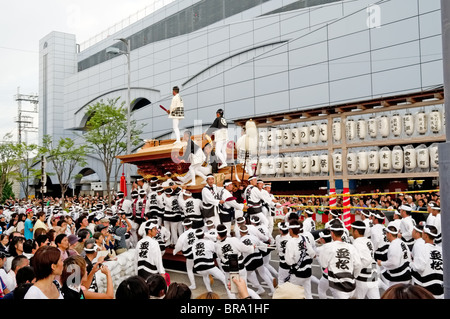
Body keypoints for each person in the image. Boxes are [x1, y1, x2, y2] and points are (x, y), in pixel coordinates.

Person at [318, 219, 362, 299]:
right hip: (351, 284)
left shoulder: (328, 247)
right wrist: (353, 276)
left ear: (332, 233)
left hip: (338, 285)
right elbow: (358, 265)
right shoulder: (351, 247)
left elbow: (323, 264)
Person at [192, 228, 234, 299]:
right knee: (224, 279)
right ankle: (231, 297)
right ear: (203, 235)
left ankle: (209, 291)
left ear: (196, 236)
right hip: (209, 265)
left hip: (198, 267)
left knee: (205, 275)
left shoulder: (194, 245)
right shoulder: (208, 242)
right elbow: (216, 251)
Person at [284, 219, 316, 299]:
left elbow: (289, 261)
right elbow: (312, 253)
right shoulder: (303, 238)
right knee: (308, 293)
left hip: (297, 273)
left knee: (292, 294)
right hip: (308, 271)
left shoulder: (290, 242)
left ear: (290, 230)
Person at [410, 224, 443, 298]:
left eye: (423, 232)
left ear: (426, 235)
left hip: (427, 287)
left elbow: (419, 267)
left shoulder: (421, 248)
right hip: (441, 287)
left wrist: (411, 264)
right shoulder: (440, 249)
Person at [350, 221, 380, 299]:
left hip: (363, 278)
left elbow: (366, 260)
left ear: (356, 231)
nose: (351, 231)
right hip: (373, 276)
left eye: (351, 229)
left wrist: (355, 273)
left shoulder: (357, 243)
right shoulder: (368, 241)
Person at [173, 218, 197, 289]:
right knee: (203, 268)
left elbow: (178, 246)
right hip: (198, 252)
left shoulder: (183, 235)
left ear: (185, 226)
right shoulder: (197, 231)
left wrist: (175, 251)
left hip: (190, 255)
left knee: (189, 269)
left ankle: (193, 285)